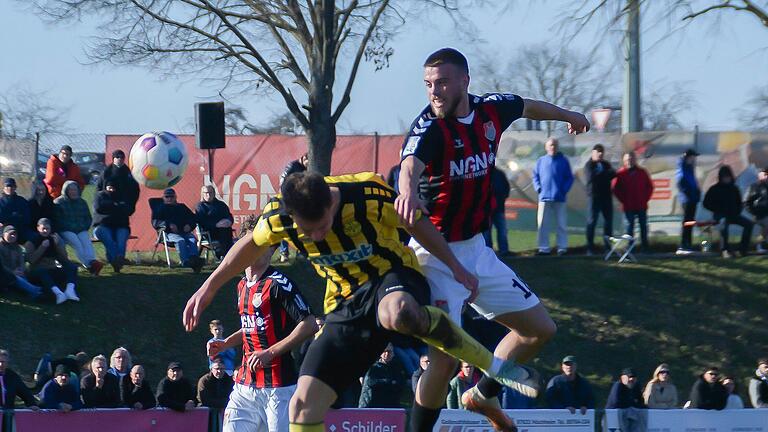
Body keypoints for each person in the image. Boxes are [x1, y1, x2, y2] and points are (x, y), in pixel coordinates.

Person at [183, 171, 532, 432]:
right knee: (302, 408)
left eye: (322, 226)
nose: (317, 236)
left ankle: (488, 360)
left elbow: (418, 222)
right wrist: (209, 287)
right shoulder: (280, 216)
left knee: (397, 313)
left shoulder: (369, 194)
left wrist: (455, 267)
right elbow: (249, 245)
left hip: (392, 277)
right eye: (309, 231)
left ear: (331, 202)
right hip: (345, 302)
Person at [397, 48, 581, 431]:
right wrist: (407, 190)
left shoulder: (492, 110)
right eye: (429, 84)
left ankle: (483, 393)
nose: (435, 91)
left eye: (443, 82)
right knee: (444, 359)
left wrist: (568, 115)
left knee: (540, 330)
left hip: (477, 250)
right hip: (436, 254)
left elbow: (529, 106)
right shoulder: (429, 128)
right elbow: (409, 164)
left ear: (465, 80)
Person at [204, 214, 316, 432]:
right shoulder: (242, 285)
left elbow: (310, 323)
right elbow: (252, 326)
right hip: (245, 385)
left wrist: (269, 353)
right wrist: (226, 343)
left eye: (262, 245)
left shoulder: (278, 284)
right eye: (250, 244)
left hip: (278, 388)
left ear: (272, 249)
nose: (255, 250)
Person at [532, 138, 574, 256]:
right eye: (550, 145)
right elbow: (535, 176)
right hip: (544, 198)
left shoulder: (564, 161)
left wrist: (563, 190)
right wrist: (539, 188)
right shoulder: (541, 161)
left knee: (561, 224)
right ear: (546, 147)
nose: (553, 147)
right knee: (543, 224)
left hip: (559, 198)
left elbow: (569, 178)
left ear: (557, 147)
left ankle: (562, 248)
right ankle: (543, 248)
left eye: (555, 145)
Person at [25, 218, 80, 304]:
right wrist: (42, 247)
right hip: (37, 272)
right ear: (38, 228)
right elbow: (31, 260)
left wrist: (58, 245)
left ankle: (70, 290)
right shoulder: (31, 242)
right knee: (42, 272)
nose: (45, 231)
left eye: (47, 229)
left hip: (51, 269)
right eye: (43, 228)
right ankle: (57, 294)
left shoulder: (53, 240)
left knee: (72, 267)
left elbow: (63, 258)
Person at [53, 180, 104, 275]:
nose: (73, 192)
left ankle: (93, 262)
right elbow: (57, 221)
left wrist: (83, 227)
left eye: (75, 190)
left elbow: (88, 218)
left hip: (80, 229)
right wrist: (71, 227)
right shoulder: (58, 202)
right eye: (71, 190)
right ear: (66, 191)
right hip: (65, 230)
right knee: (77, 243)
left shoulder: (82, 202)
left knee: (86, 242)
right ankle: (89, 265)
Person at [703, 165, 754, 258]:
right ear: (721, 177)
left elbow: (739, 203)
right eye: (724, 177)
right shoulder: (714, 189)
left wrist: (737, 211)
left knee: (749, 224)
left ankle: (743, 249)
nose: (727, 179)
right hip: (720, 216)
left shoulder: (734, 189)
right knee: (723, 225)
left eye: (728, 177)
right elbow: (706, 203)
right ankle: (725, 250)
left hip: (733, 215)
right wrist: (717, 209)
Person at [152, 188, 203, 272]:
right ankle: (185, 262)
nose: (169, 199)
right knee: (180, 240)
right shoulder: (160, 209)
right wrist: (168, 225)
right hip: (168, 234)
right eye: (167, 197)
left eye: (171, 197)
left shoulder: (182, 207)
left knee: (192, 240)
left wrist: (189, 225)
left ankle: (194, 260)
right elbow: (155, 222)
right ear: (163, 198)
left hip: (184, 232)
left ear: (175, 197)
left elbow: (193, 218)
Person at [612, 152, 654, 251]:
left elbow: (650, 187)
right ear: (624, 161)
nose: (629, 161)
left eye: (631, 159)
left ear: (635, 160)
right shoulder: (620, 173)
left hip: (641, 205)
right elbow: (615, 189)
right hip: (628, 206)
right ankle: (630, 248)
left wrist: (645, 199)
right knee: (629, 227)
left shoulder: (642, 172)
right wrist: (623, 200)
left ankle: (645, 247)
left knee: (643, 226)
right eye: (627, 159)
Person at [93, 181, 133, 272]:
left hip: (121, 226)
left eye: (114, 188)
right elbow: (98, 208)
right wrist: (116, 205)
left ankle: (116, 261)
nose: (111, 190)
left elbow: (128, 210)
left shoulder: (123, 197)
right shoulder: (99, 196)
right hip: (102, 225)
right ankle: (119, 259)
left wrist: (111, 206)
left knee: (121, 242)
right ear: (105, 187)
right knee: (109, 240)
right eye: (109, 188)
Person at [583, 144, 615, 255]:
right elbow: (591, 177)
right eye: (597, 152)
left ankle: (608, 247)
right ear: (593, 153)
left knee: (608, 222)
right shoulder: (589, 165)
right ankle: (590, 247)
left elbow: (613, 174)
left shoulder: (606, 164)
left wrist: (601, 175)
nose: (600, 154)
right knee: (592, 222)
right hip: (594, 197)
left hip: (606, 197)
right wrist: (604, 175)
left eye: (602, 152)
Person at [278, 153, 308, 262]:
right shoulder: (293, 166)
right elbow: (282, 182)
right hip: (287, 200)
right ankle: (283, 252)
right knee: (285, 225)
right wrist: (285, 197)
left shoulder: (310, 168)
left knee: (300, 226)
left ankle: (301, 252)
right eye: (307, 162)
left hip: (300, 201)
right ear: (304, 158)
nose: (308, 165)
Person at [359, 344, 409, 408]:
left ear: (393, 353)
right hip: (371, 404)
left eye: (389, 352)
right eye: (384, 351)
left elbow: (401, 382)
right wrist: (389, 381)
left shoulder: (397, 366)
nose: (387, 354)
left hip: (391, 404)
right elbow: (370, 382)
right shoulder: (373, 367)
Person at [0, 225, 43, 300]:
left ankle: (34, 294)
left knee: (22, 278)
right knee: (16, 278)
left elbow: (21, 261)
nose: (13, 236)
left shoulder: (17, 248)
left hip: (18, 273)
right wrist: (12, 272)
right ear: (4, 234)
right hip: (5, 274)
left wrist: (21, 270)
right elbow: (2, 266)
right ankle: (36, 290)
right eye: (11, 234)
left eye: (15, 234)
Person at [196, 185, 234, 259]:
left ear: (214, 193)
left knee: (226, 230)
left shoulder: (221, 205)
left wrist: (229, 221)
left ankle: (228, 255)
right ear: (202, 194)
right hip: (208, 233)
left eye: (210, 192)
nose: (208, 195)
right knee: (224, 231)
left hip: (224, 231)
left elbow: (229, 216)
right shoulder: (200, 206)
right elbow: (202, 222)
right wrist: (216, 224)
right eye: (206, 193)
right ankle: (222, 254)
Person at [676, 149, 701, 254]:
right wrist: (689, 194)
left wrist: (697, 192)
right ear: (687, 157)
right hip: (687, 199)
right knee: (686, 221)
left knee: (690, 222)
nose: (694, 159)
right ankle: (683, 244)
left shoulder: (689, 167)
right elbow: (681, 183)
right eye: (692, 157)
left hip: (692, 198)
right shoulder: (682, 167)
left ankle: (688, 243)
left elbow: (693, 182)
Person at [484, 166, 512, 256]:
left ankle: (504, 250)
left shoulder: (499, 174)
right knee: (486, 232)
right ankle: (488, 252)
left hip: (499, 208)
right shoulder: (483, 174)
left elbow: (506, 188)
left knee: (502, 230)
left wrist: (501, 199)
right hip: (487, 210)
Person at [0, 177, 32, 243]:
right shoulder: (0, 202)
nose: (10, 188)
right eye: (7, 186)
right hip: (5, 230)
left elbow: (27, 218)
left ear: (15, 187)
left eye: (12, 186)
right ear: (3, 188)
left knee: (34, 238)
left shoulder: (22, 201)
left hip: (21, 229)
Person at [745, 167, 768, 253]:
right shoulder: (755, 187)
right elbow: (746, 202)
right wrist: (754, 212)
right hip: (759, 214)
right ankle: (759, 245)